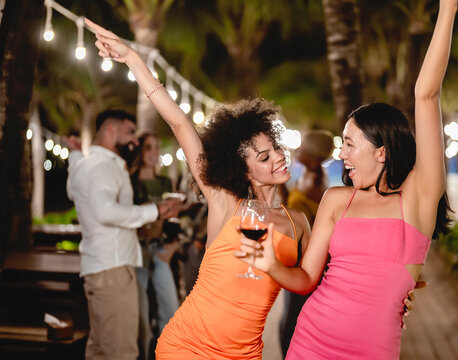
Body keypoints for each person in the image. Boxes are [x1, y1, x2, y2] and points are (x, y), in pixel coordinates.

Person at [237, 0, 456, 358]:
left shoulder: (418, 199)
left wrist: (447, 8)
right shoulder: (338, 199)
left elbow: (426, 94)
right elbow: (307, 278)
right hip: (310, 340)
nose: (340, 154)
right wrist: (272, 266)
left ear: (381, 151)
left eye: (349, 144)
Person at [85, 20, 311, 360]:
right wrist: (133, 58)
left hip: (245, 354)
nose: (279, 158)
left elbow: (316, 278)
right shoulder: (225, 202)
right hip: (187, 347)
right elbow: (179, 123)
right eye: (264, 157)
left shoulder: (299, 222)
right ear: (242, 169)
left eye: (276, 149)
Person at [66, 110, 182, 360]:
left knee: (99, 349)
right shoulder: (102, 166)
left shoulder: (86, 164)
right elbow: (106, 211)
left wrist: (75, 154)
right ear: (111, 130)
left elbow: (73, 185)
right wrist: (155, 210)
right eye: (130, 132)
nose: (135, 141)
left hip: (101, 267)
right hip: (113, 270)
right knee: (121, 352)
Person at [280, 129, 334, 356]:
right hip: (299, 255)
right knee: (289, 319)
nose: (297, 149)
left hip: (306, 259)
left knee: (292, 324)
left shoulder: (313, 182)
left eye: (302, 147)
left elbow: (293, 213)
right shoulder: (310, 175)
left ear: (311, 155)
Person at [129, 132, 183, 360]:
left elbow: (174, 221)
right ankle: (143, 353)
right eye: (148, 147)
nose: (153, 152)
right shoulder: (130, 182)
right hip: (137, 251)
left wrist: (172, 248)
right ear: (140, 152)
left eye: (156, 147)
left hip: (160, 249)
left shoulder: (164, 183)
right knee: (139, 314)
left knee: (171, 307)